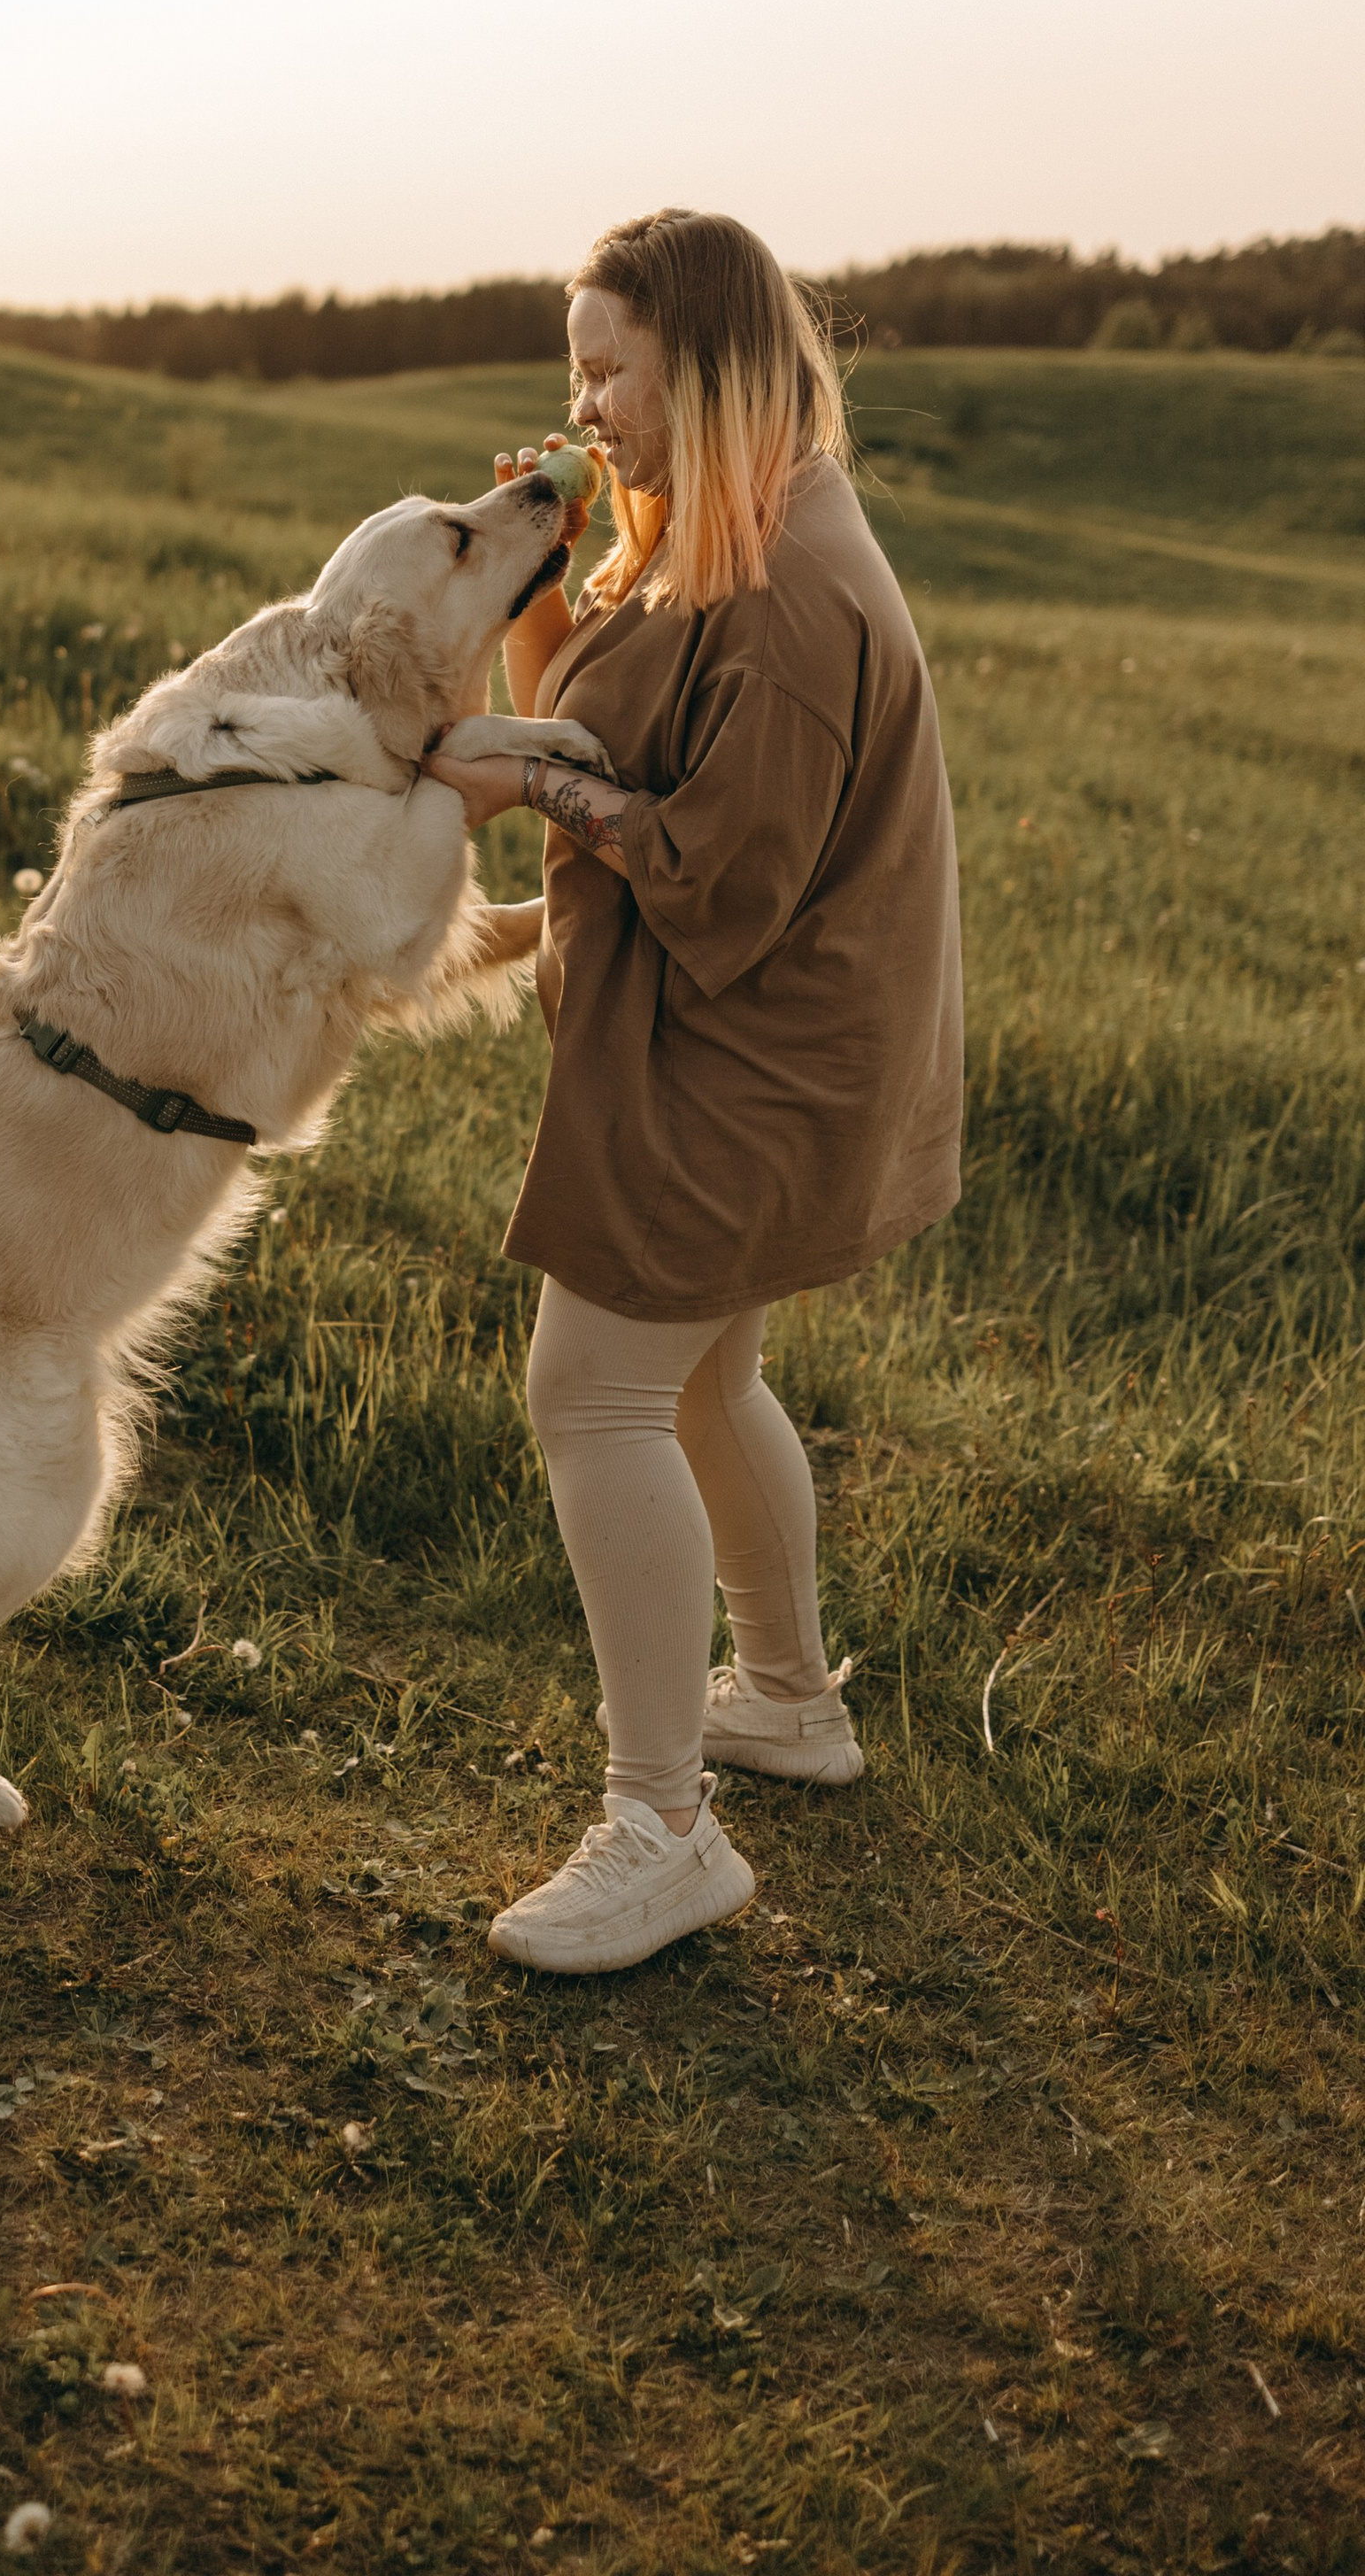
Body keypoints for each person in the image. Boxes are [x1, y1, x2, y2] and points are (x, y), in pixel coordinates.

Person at [420, 209, 963, 1973]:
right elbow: (605, 726)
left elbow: (720, 879)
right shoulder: (727, 533)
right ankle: (787, 1701)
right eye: (573, 367)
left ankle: (661, 1827)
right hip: (734, 1045)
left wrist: (521, 789)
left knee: (591, 1393)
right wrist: (543, 593)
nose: (581, 405)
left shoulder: (790, 590)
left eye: (610, 371)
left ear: (711, 369)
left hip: (746, 1058)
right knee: (705, 1379)